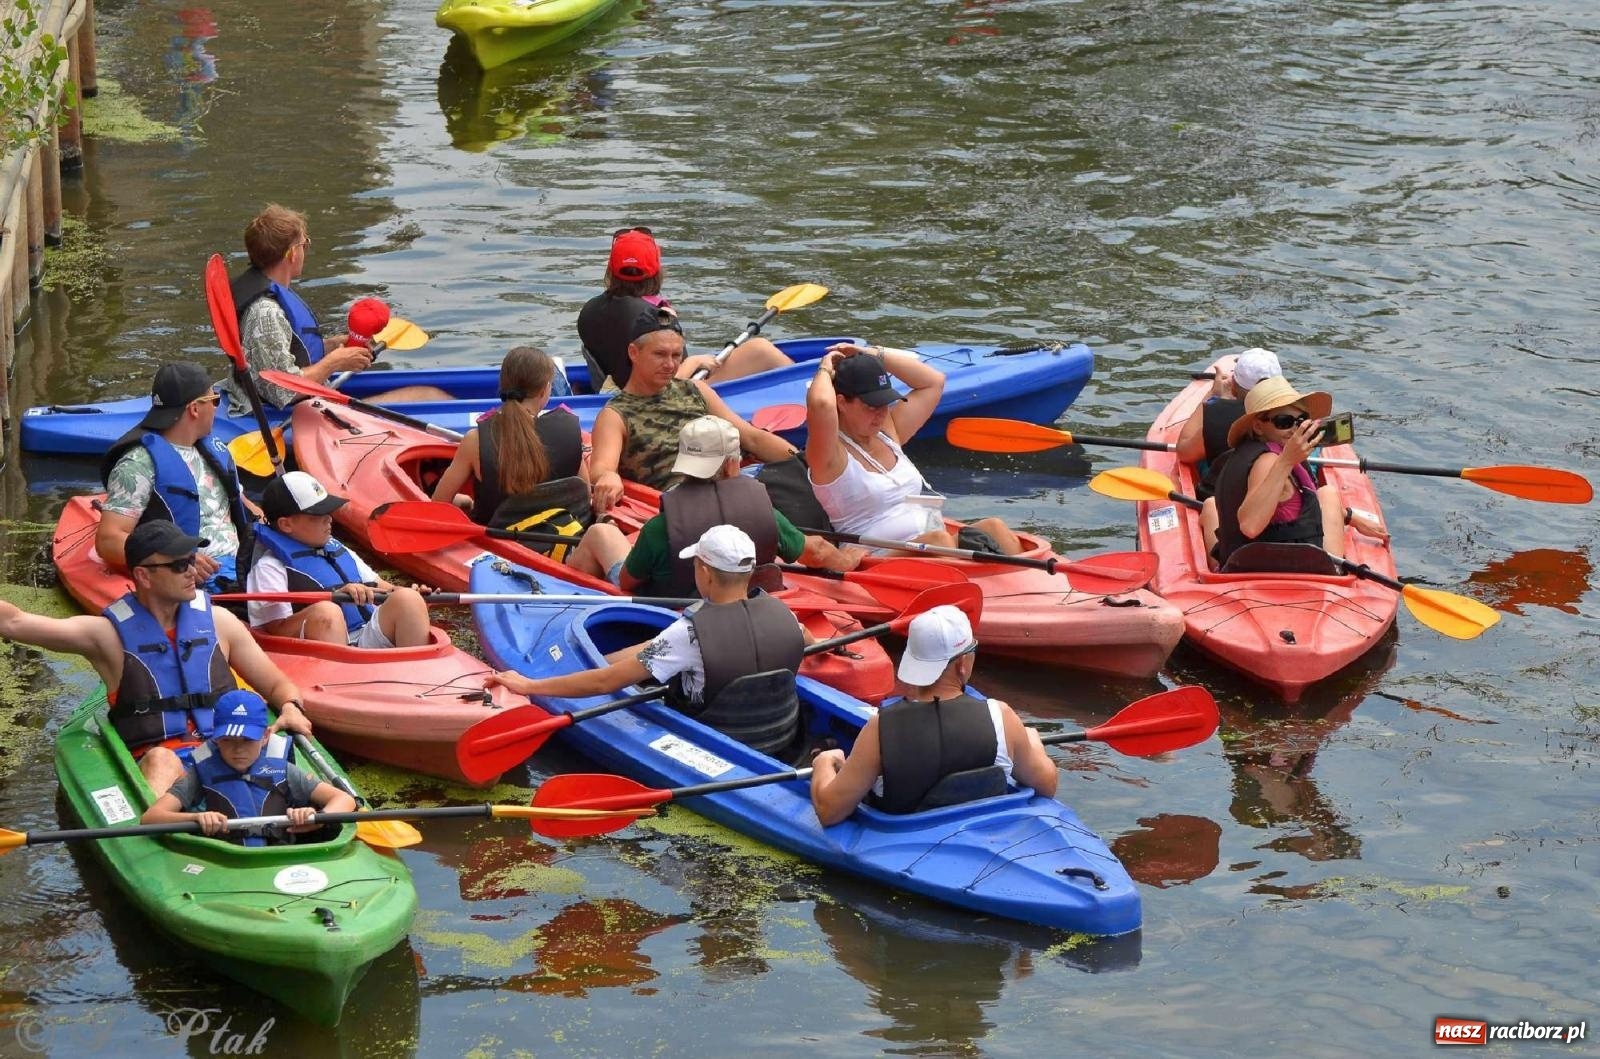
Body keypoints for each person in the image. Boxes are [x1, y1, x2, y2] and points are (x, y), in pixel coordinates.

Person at [0, 521, 310, 797]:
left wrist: (290, 706)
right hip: (162, 759)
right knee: (163, 760)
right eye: (178, 565)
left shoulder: (220, 622)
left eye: (191, 561)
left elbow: (276, 683)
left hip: (228, 748)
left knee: (277, 752)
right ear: (143, 576)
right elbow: (14, 622)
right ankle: (166, 837)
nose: (191, 571)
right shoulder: (105, 636)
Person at [487, 525, 809, 759]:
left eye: (696, 565)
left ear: (706, 573)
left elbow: (606, 681)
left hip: (718, 746)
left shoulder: (688, 634)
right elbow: (805, 639)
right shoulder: (785, 615)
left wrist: (530, 685)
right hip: (778, 738)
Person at [810, 605, 1058, 826]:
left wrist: (824, 762)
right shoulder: (1002, 716)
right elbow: (1047, 785)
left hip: (906, 837)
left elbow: (829, 810)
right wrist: (1032, 743)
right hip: (982, 829)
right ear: (962, 663)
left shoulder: (880, 728)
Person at [220, 203, 448, 416]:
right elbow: (283, 390)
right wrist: (336, 362)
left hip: (306, 401)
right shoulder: (265, 312)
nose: (306, 250)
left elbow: (285, 352)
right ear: (292, 253)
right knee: (432, 397)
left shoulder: (271, 295)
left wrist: (331, 347)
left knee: (430, 395)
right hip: (291, 415)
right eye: (304, 244)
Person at [431, 345, 630, 581]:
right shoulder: (570, 428)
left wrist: (463, 502)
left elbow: (438, 505)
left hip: (507, 551)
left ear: (502, 387)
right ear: (546, 390)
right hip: (568, 544)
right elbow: (582, 493)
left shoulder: (475, 440)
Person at [805, 343, 1024, 554]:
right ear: (842, 403)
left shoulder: (888, 433)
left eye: (884, 403)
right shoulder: (829, 455)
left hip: (932, 542)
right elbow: (822, 405)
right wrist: (825, 367)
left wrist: (870, 354)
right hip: (873, 557)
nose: (881, 414)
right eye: (871, 406)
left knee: (995, 527)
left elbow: (933, 381)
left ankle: (1038, 589)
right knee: (938, 541)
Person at [618, 416, 863, 596]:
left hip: (677, 603)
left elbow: (627, 582)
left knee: (602, 534)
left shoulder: (658, 528)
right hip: (749, 597)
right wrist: (846, 561)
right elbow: (816, 552)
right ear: (731, 464)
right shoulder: (761, 512)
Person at [588, 308, 797, 513]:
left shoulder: (695, 389)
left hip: (736, 479)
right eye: (660, 354)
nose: (670, 364)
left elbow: (752, 438)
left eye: (676, 355)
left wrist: (802, 462)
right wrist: (607, 476)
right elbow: (602, 467)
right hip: (686, 499)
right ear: (634, 352)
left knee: (795, 484)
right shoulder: (616, 415)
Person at [98, 362, 257, 592]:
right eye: (214, 400)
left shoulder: (213, 449)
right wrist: (182, 559)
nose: (216, 407)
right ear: (195, 408)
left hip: (243, 561)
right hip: (202, 578)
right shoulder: (138, 465)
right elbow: (108, 540)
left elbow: (240, 502)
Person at [1202, 375, 1389, 568]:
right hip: (1282, 570)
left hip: (1244, 559)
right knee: (1328, 493)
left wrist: (1349, 516)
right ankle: (1335, 569)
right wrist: (1286, 461)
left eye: (1301, 420)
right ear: (1258, 426)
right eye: (1284, 422)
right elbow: (1249, 526)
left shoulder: (1251, 451)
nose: (1294, 429)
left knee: (1326, 495)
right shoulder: (1270, 461)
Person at [576, 227, 792, 390]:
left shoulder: (589, 310)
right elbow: (669, 384)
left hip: (620, 391)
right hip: (666, 396)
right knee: (761, 349)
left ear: (611, 271)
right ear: (657, 271)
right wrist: (695, 360)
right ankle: (812, 391)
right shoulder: (658, 318)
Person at [141, 690, 355, 845]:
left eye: (247, 740)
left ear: (264, 736)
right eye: (228, 740)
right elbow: (151, 818)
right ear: (216, 739)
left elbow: (344, 800)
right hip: (225, 861)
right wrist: (195, 818)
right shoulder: (201, 773)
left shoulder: (282, 770)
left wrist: (316, 817)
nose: (238, 750)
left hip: (281, 859)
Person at [248, 471, 432, 648]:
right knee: (328, 612)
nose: (329, 519)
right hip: (327, 647)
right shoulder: (269, 568)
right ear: (286, 524)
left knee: (409, 599)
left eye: (328, 512)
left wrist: (415, 594)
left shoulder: (336, 549)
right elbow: (272, 632)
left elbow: (385, 588)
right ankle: (346, 675)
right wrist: (334, 599)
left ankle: (418, 675)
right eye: (318, 515)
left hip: (365, 635)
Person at [1176, 347, 1284, 467]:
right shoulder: (1296, 415)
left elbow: (1183, 452)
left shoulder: (1219, 413)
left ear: (1233, 385)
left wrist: (1213, 396)